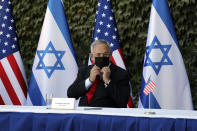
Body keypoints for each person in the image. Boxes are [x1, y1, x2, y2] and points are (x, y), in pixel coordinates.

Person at [67, 40, 130, 108]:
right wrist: (89, 80)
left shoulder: (121, 73)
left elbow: (123, 101)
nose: (102, 57)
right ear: (91, 56)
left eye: (105, 54)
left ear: (110, 55)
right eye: (98, 54)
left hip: (107, 115)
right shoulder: (84, 71)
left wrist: (108, 81)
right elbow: (71, 94)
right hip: (84, 113)